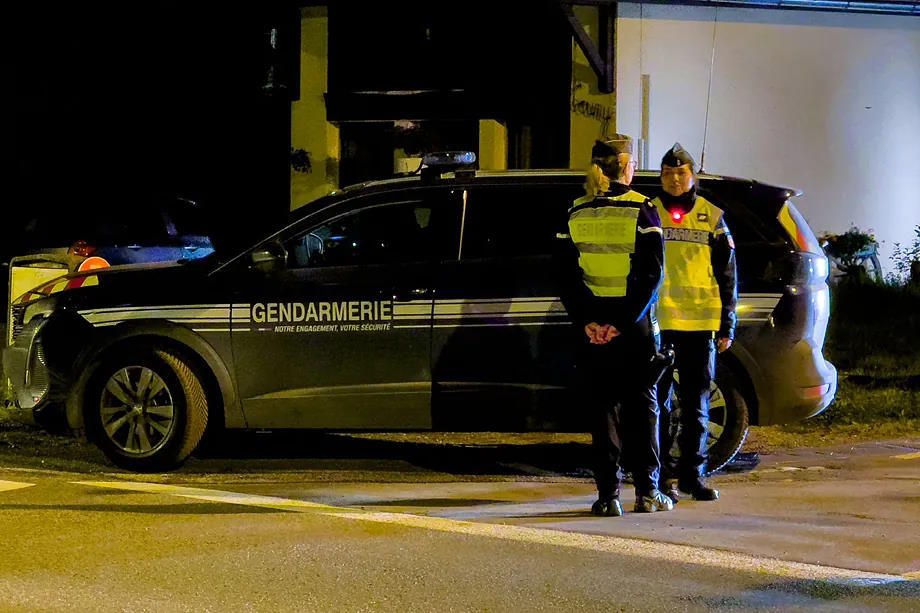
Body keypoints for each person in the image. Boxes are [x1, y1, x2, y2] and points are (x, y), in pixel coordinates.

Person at [559, 135, 672, 515]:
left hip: (592, 327)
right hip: (633, 327)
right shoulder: (642, 209)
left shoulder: (575, 210)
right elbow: (652, 275)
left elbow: (564, 274)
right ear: (626, 166)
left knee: (602, 410)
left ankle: (608, 497)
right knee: (643, 408)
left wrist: (590, 322)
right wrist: (622, 323)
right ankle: (647, 492)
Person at [652, 143, 738, 502]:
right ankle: (660, 479)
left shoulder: (712, 216)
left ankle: (693, 476)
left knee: (697, 408)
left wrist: (727, 324)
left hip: (701, 326)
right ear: (661, 177)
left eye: (681, 174)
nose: (675, 180)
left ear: (693, 177)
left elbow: (729, 274)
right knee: (657, 405)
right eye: (668, 174)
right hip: (660, 324)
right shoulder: (649, 212)